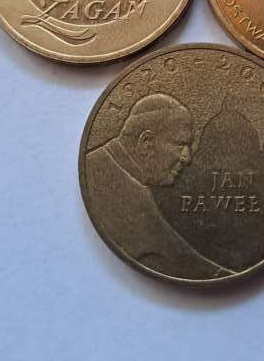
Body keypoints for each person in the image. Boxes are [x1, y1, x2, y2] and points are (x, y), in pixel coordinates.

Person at [85, 93, 233, 279]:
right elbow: (175, 256)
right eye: (180, 145)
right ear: (146, 143)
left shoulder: (116, 170)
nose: (187, 158)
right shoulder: (121, 185)